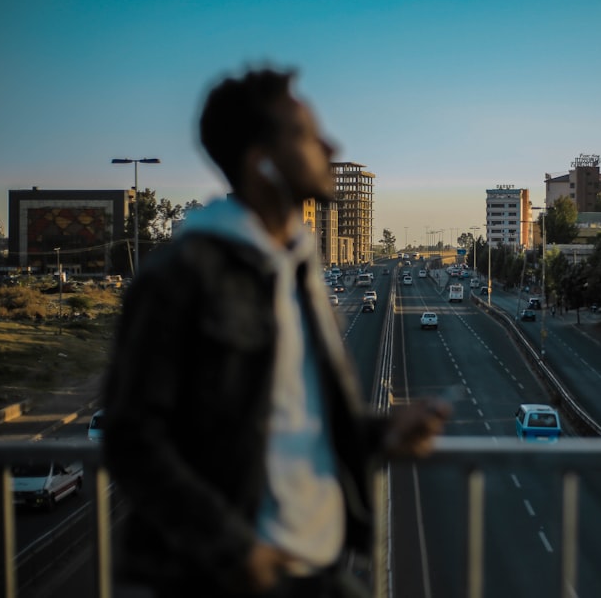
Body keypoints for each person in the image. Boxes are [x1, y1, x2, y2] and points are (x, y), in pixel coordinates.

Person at [102, 67, 449, 598]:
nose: (330, 146)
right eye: (307, 136)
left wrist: (381, 434)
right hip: (216, 576)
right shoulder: (183, 274)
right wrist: (234, 550)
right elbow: (130, 439)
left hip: (309, 567)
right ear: (262, 161)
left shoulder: (298, 267)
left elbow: (293, 420)